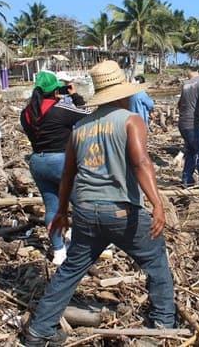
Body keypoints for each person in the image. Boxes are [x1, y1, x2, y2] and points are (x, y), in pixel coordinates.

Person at [23, 61, 175, 346]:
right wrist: (157, 203)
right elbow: (141, 161)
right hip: (121, 210)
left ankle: (39, 330)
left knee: (71, 269)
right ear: (121, 93)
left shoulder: (80, 127)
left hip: (86, 211)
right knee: (156, 262)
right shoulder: (131, 120)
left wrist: (63, 212)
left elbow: (68, 173)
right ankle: (164, 325)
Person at [21, 71, 91, 265]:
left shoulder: (26, 114)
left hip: (37, 161)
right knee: (82, 203)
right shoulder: (60, 109)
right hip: (61, 161)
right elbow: (86, 115)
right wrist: (74, 95)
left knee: (52, 207)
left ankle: (59, 251)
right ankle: (84, 245)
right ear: (54, 91)